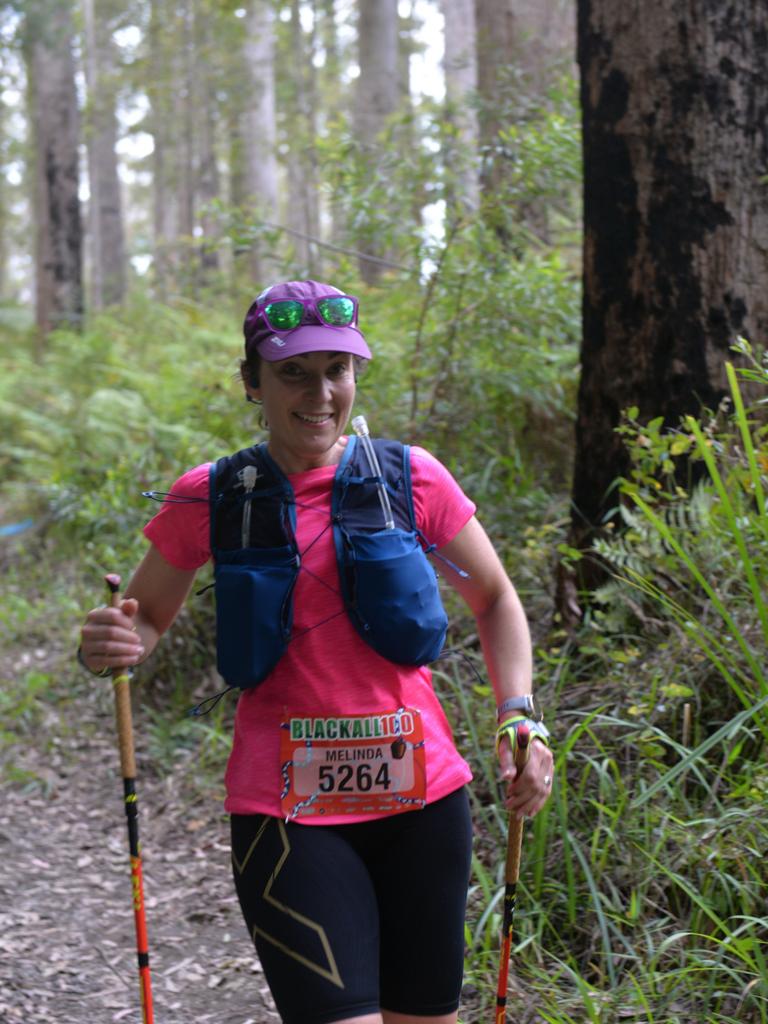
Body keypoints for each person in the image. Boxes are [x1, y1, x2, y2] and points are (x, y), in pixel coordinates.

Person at [78, 280, 554, 1024]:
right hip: (286, 817)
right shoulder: (211, 496)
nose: (320, 392)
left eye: (336, 368)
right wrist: (108, 643)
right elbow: (142, 623)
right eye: (293, 372)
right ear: (251, 383)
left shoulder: (410, 479)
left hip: (424, 807)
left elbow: (494, 600)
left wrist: (519, 715)